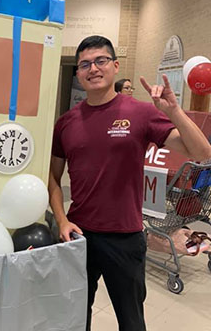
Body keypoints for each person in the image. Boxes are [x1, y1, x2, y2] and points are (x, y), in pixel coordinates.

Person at [48, 35, 211, 331]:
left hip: (124, 237)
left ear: (114, 65)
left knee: (131, 321)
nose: (93, 68)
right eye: (85, 64)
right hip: (78, 235)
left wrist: (173, 111)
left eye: (100, 61)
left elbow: (202, 153)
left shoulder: (140, 112)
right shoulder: (66, 122)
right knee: (73, 318)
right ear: (78, 74)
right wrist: (61, 220)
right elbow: (52, 178)